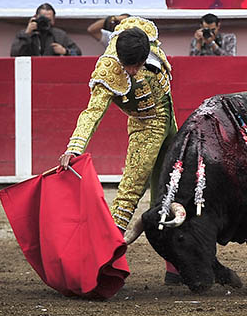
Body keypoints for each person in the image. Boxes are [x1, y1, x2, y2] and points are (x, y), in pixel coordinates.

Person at [58, 17, 181, 284]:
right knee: (129, 194)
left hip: (170, 121)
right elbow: (92, 113)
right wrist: (74, 147)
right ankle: (101, 267)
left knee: (173, 190)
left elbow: (125, 21)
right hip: (146, 127)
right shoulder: (108, 70)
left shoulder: (141, 33)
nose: (133, 71)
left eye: (137, 65)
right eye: (128, 66)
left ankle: (175, 267)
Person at [11, 3, 82, 56]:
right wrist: (27, 34)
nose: (45, 22)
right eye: (43, 19)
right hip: (31, 68)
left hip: (52, 68)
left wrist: (65, 51)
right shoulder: (24, 33)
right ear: (35, 17)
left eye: (49, 20)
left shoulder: (59, 35)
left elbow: (78, 53)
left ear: (53, 20)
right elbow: (14, 54)